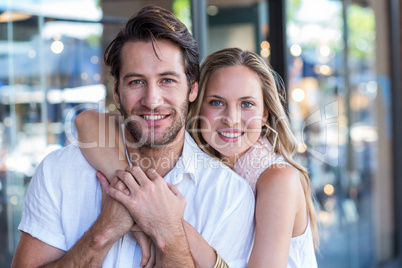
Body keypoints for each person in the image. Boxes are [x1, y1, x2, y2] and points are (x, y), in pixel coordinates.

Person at [12, 6, 255, 268]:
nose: (152, 101)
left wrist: (167, 233)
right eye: (136, 82)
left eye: (167, 80)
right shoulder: (58, 171)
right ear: (116, 92)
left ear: (192, 88)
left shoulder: (230, 194)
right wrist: (104, 231)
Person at [76, 48, 319, 267]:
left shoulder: (278, 178)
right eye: (216, 102)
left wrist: (155, 217)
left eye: (246, 104)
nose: (231, 119)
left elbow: (161, 218)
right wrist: (137, 194)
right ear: (196, 103)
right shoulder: (199, 154)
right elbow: (86, 121)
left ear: (265, 113)